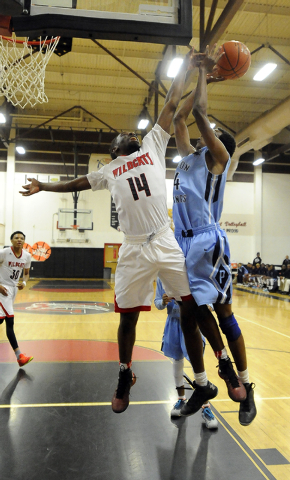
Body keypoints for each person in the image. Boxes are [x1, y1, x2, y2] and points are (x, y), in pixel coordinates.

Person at [20, 49, 219, 415]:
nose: (128, 132)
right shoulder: (110, 170)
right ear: (114, 151)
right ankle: (125, 374)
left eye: (129, 132)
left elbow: (173, 101)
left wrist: (188, 69)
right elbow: (78, 182)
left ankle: (218, 370)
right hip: (132, 247)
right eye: (122, 135)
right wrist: (45, 188)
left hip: (163, 236)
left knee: (192, 305)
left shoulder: (152, 145)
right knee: (128, 317)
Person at [172, 46, 256, 426]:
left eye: (216, 135)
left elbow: (201, 113)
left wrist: (205, 71)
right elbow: (180, 117)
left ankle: (245, 384)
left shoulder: (218, 158)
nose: (210, 133)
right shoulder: (189, 156)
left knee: (223, 314)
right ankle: (208, 379)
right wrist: (195, 74)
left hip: (208, 243)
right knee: (187, 315)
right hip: (183, 245)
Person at [154, 278, 218, 429]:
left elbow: (211, 298)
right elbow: (157, 302)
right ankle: (181, 399)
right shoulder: (162, 277)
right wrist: (163, 302)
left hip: (192, 323)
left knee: (198, 364)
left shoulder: (192, 272)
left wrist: (209, 306)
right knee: (177, 361)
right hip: (173, 323)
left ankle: (206, 407)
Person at [0, 231, 33, 367]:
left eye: (22, 238)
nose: (19, 240)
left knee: (5, 321)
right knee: (10, 321)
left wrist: (24, 283)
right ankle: (19, 356)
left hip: (13, 290)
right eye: (16, 238)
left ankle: (20, 356)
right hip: (2, 289)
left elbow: (26, 274)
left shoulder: (27, 256)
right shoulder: (4, 252)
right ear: (11, 240)